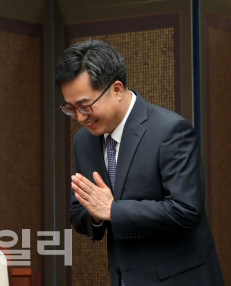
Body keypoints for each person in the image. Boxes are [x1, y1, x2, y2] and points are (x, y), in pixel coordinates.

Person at [55, 40, 223, 286]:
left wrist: (113, 210)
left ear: (117, 89)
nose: (80, 117)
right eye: (70, 108)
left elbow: (186, 210)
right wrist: (97, 216)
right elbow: (80, 213)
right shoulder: (84, 141)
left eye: (85, 106)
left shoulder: (169, 131)